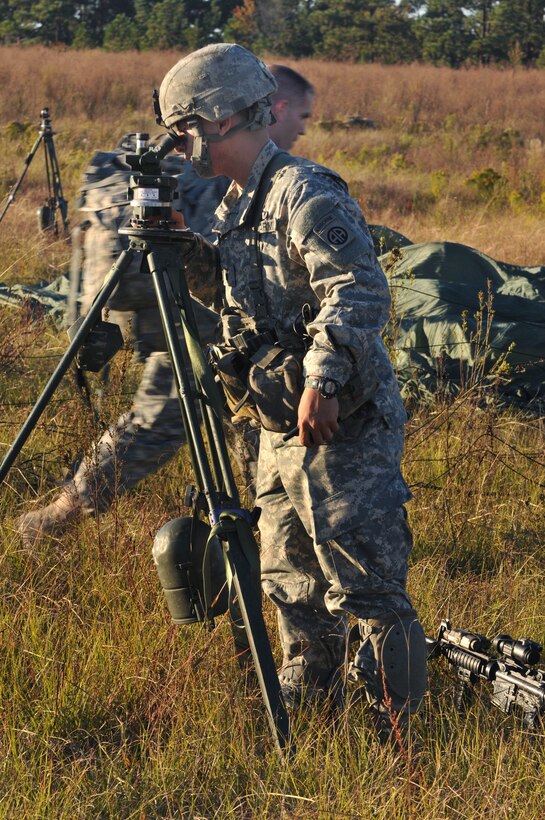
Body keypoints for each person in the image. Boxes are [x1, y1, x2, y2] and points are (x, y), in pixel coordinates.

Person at [158, 43, 428, 739]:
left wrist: (324, 376)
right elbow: (229, 300)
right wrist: (179, 246)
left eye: (185, 128)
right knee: (290, 582)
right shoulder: (238, 205)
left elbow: (358, 288)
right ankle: (310, 704)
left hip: (340, 423)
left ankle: (392, 736)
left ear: (219, 120)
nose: (182, 146)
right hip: (278, 427)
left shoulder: (304, 191)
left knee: (363, 584)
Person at [16, 64, 315, 543]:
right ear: (275, 107)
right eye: (301, 114)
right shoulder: (231, 167)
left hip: (217, 336)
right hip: (197, 333)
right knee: (155, 427)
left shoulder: (244, 167)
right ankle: (51, 521)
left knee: (247, 431)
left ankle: (261, 530)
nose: (303, 126)